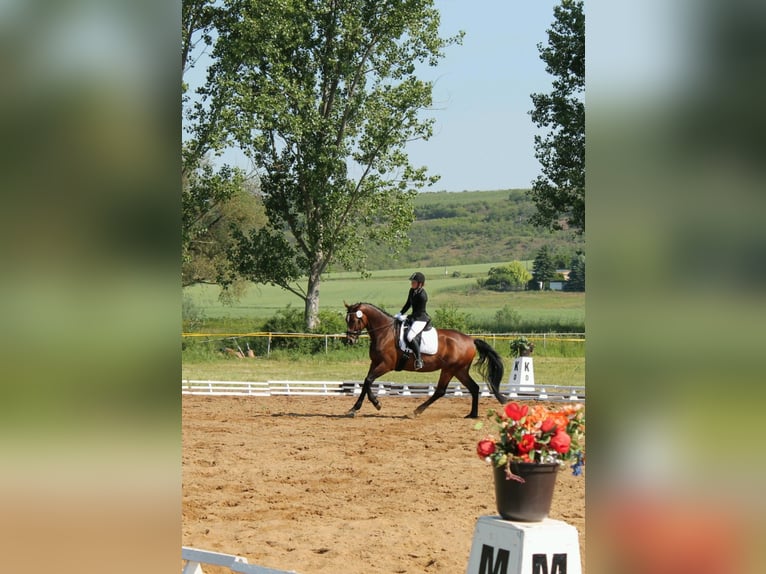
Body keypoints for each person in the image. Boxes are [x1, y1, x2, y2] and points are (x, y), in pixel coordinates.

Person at [394, 272, 429, 369]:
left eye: (413, 282)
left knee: (409, 336)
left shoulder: (423, 296)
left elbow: (419, 312)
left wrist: (407, 317)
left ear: (420, 284)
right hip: (414, 317)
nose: (411, 284)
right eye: (412, 282)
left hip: (420, 319)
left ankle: (419, 359)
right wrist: (400, 313)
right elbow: (408, 304)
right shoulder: (412, 290)